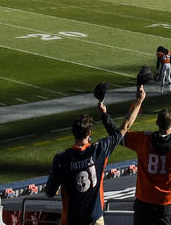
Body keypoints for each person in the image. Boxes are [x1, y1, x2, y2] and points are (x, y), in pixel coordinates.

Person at [44, 85, 146, 225]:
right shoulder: (99, 150)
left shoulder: (61, 159)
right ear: (89, 134)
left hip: (71, 220)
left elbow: (49, 192)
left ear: (73, 133)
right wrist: (139, 101)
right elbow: (125, 127)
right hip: (95, 219)